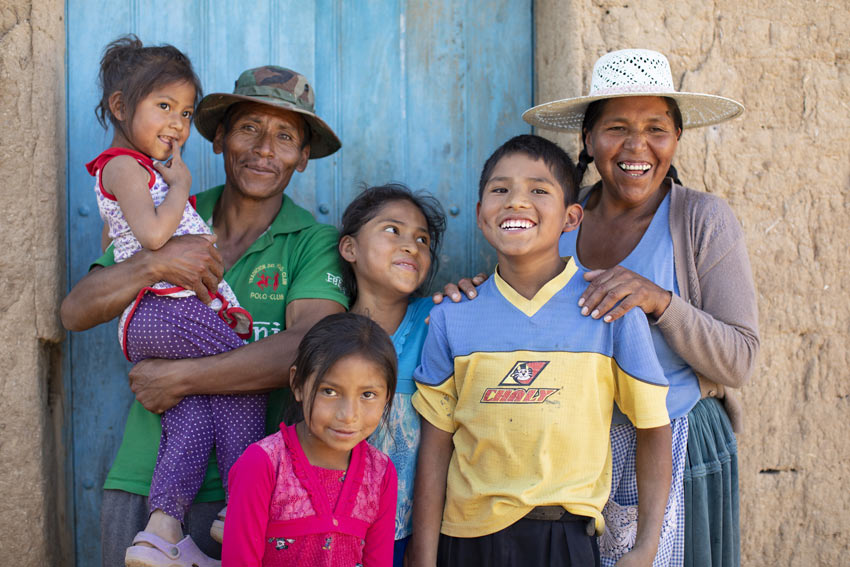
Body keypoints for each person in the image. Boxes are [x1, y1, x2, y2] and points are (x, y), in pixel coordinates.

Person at [60, 64, 348, 567]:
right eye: (248, 128)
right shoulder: (171, 210)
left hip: (252, 493)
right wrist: (154, 261)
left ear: (303, 158)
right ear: (219, 140)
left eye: (285, 136)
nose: (264, 148)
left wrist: (180, 379)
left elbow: (307, 349)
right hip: (143, 481)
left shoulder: (313, 243)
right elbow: (76, 310)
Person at [523, 48, 759, 567]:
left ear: (676, 138)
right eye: (616, 128)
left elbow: (739, 360)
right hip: (573, 456)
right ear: (588, 139)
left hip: (678, 447)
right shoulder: (559, 219)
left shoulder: (701, 220)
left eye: (657, 128)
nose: (637, 146)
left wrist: (660, 302)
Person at [408, 134, 672, 567]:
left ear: (571, 218)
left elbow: (653, 427)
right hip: (466, 539)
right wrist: (424, 556)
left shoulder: (610, 310)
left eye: (537, 190)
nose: (515, 201)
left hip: (564, 539)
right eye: (500, 189)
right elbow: (436, 446)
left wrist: (647, 545)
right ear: (479, 215)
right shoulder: (452, 316)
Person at [80, 36, 267, 566]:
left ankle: (162, 530)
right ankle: (239, 506)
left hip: (166, 312)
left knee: (197, 402)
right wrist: (182, 185)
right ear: (120, 107)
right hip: (164, 311)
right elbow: (157, 239)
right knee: (243, 380)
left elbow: (118, 240)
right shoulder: (124, 167)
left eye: (185, 113)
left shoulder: (132, 171)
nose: (177, 125)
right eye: (164, 107)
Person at [222, 312, 398, 566]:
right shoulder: (264, 464)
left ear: (388, 396)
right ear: (298, 384)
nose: (348, 415)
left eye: (368, 394)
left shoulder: (380, 473)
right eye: (329, 391)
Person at [337, 184, 446, 565]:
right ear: (349, 248)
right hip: (333, 536)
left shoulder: (438, 321)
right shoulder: (328, 334)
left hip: (409, 537)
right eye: (392, 230)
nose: (411, 245)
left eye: (422, 239)